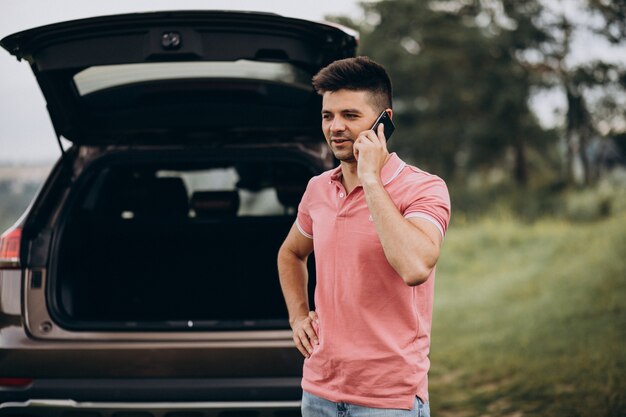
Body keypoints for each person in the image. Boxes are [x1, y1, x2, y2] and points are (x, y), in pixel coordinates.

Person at [277, 56, 451, 416]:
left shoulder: (424, 189)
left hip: (388, 401)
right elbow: (291, 254)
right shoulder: (317, 189)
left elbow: (415, 266)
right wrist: (298, 317)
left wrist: (371, 179)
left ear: (384, 120)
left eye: (350, 116)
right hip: (318, 393)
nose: (335, 127)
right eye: (328, 116)